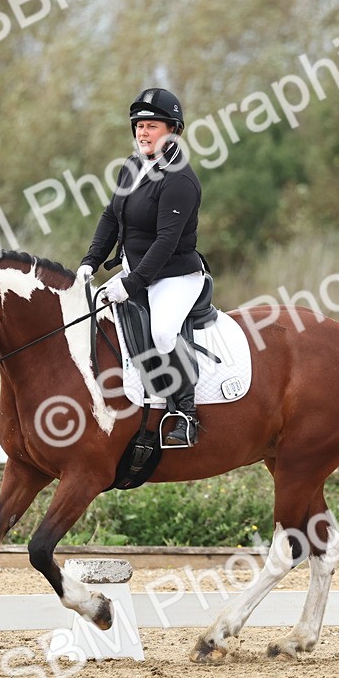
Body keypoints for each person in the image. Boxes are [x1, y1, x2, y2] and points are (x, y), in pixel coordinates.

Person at [77, 87, 206, 447]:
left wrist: (131, 284)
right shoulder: (132, 166)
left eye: (151, 125)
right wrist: (90, 261)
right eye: (138, 126)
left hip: (174, 277)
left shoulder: (180, 180)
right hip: (136, 272)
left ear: (173, 130)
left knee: (164, 332)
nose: (142, 133)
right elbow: (110, 216)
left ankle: (185, 413)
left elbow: (165, 243)